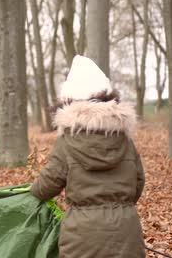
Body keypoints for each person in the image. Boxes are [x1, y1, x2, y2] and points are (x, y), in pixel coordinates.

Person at [30, 55, 146, 258]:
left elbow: (45, 187)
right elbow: (138, 183)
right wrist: (119, 205)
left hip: (81, 238)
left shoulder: (67, 142)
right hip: (126, 234)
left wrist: (31, 190)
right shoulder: (126, 142)